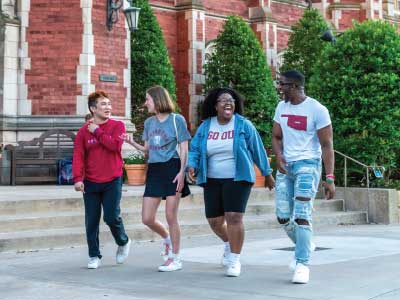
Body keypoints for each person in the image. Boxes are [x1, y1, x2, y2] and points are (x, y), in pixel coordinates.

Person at [187, 87, 275, 277]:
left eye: (232, 101)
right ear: (215, 106)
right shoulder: (206, 126)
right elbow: (194, 149)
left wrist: (267, 173)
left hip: (238, 177)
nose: (228, 103)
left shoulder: (243, 125)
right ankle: (228, 242)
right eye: (223, 100)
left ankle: (235, 259)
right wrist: (191, 165)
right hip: (211, 178)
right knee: (214, 221)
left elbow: (257, 148)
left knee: (234, 217)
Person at [272, 70, 335, 284]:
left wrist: (330, 177)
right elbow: (276, 136)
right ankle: (305, 243)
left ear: (295, 86)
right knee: (282, 215)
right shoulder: (281, 107)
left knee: (301, 214)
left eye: (282, 84)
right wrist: (279, 155)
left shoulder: (317, 110)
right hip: (286, 166)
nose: (279, 87)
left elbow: (327, 145)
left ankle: (302, 263)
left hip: (309, 165)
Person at [123, 85, 191, 272]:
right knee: (147, 218)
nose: (146, 103)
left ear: (158, 99)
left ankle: (175, 258)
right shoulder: (149, 123)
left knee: (171, 216)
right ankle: (167, 239)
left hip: (172, 168)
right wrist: (131, 142)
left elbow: (184, 147)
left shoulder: (177, 120)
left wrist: (182, 172)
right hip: (154, 169)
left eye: (148, 99)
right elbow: (147, 150)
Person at [73, 91, 131, 269]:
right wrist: (77, 178)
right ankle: (94, 255)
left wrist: (97, 131)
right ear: (93, 109)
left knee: (111, 216)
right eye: (103, 104)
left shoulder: (118, 126)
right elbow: (78, 156)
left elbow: (114, 146)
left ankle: (123, 241)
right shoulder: (83, 132)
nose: (108, 107)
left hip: (113, 179)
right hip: (90, 181)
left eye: (109, 104)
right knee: (91, 220)